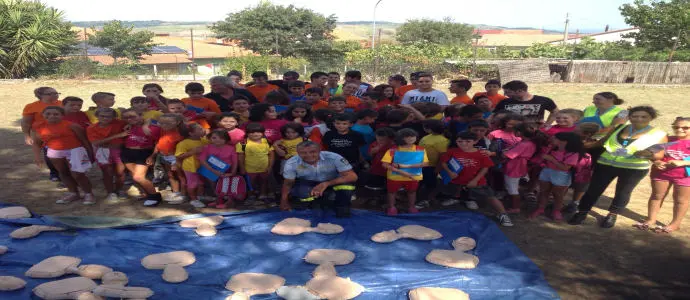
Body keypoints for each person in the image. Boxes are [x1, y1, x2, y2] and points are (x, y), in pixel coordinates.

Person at [569, 106, 668, 228]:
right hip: (606, 164)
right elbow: (602, 142)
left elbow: (659, 154)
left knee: (623, 192)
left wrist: (647, 154)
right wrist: (582, 145)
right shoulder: (619, 127)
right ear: (629, 117)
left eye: (643, 116)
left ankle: (612, 214)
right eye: (635, 116)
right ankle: (582, 212)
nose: (638, 119)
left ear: (651, 118)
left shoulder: (659, 134)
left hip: (634, 169)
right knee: (593, 189)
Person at [438, 131, 514, 226]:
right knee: (456, 190)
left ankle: (503, 215)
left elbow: (485, 168)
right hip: (456, 180)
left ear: (475, 141)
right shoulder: (452, 151)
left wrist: (475, 180)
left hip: (477, 181)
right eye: (460, 141)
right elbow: (444, 162)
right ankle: (458, 199)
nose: (463, 144)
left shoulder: (481, 154)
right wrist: (450, 172)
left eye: (468, 141)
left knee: (490, 197)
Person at [634, 117, 690, 234]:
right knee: (656, 196)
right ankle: (650, 220)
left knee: (681, 200)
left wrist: (683, 162)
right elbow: (652, 154)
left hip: (685, 176)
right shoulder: (666, 139)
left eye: (685, 127)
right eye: (676, 127)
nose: (680, 129)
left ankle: (675, 224)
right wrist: (656, 162)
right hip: (661, 173)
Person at [31, 106, 95, 204]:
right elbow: (37, 143)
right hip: (54, 151)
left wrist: (90, 154)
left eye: (56, 114)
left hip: (74, 150)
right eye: (48, 114)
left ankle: (88, 194)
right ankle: (73, 193)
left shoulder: (72, 126)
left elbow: (85, 141)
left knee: (78, 174)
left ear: (62, 115)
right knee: (63, 173)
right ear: (43, 115)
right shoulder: (39, 127)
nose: (52, 116)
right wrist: (37, 157)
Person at [280, 141, 357, 217]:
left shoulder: (334, 157)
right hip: (308, 183)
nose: (308, 155)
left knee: (346, 186)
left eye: (313, 152)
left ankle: (342, 207)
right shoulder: (291, 163)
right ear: (297, 152)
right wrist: (284, 201)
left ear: (320, 150)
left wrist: (326, 183)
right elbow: (288, 183)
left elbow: (352, 176)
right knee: (301, 192)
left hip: (332, 182)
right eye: (303, 153)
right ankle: (313, 206)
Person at [530, 132, 586, 221]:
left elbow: (565, 167)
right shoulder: (552, 148)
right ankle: (540, 208)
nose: (552, 139)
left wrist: (551, 159)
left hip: (561, 175)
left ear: (564, 141)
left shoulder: (573, 153)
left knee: (558, 195)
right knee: (544, 192)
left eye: (555, 138)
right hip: (547, 171)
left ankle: (556, 211)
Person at [119, 109, 162, 207]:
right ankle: (146, 193)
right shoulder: (127, 128)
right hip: (127, 152)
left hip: (144, 153)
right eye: (126, 117)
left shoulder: (153, 128)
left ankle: (155, 196)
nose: (129, 119)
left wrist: (152, 156)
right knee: (135, 176)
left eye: (133, 116)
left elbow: (158, 143)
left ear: (141, 115)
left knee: (138, 177)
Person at [502, 123, 548, 213]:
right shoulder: (530, 142)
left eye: (514, 131)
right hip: (520, 166)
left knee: (512, 188)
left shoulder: (524, 144)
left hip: (514, 167)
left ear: (519, 132)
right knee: (514, 186)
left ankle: (516, 207)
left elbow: (507, 156)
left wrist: (502, 152)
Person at [381, 129, 429, 215]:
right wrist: (397, 170)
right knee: (392, 192)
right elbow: (384, 164)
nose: (411, 138)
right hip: (394, 177)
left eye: (413, 136)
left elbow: (425, 163)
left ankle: (411, 207)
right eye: (407, 137)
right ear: (401, 138)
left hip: (413, 176)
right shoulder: (393, 150)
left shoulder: (420, 149)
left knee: (412, 191)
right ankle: (392, 207)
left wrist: (404, 167)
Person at [87, 108, 128, 203]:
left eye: (109, 116)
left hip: (118, 151)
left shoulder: (119, 123)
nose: (105, 118)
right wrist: (117, 136)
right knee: (107, 172)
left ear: (114, 117)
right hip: (102, 152)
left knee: (120, 172)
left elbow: (135, 121)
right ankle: (110, 192)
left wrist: (128, 125)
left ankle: (119, 190)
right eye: (102, 116)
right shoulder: (92, 128)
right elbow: (96, 143)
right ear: (97, 116)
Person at [199, 130, 239, 208]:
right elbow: (202, 160)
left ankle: (229, 201)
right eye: (214, 138)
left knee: (227, 186)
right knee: (214, 185)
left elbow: (235, 161)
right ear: (209, 138)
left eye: (221, 138)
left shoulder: (231, 148)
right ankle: (218, 199)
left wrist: (233, 172)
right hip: (211, 171)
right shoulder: (206, 148)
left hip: (227, 171)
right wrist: (213, 170)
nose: (218, 140)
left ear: (226, 139)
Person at [237, 123, 275, 203]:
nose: (255, 134)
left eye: (258, 132)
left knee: (264, 181)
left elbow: (271, 155)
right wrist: (242, 168)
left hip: (264, 168)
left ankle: (263, 194)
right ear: (247, 133)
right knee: (250, 183)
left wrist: (270, 166)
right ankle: (251, 195)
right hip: (250, 168)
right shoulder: (242, 144)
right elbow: (241, 157)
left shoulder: (267, 142)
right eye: (252, 132)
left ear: (262, 133)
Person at [155, 113, 187, 204]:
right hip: (165, 156)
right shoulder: (163, 130)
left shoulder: (180, 134)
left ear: (177, 122)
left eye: (168, 123)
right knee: (171, 175)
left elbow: (182, 149)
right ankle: (176, 192)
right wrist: (153, 155)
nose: (164, 125)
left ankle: (183, 195)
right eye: (161, 123)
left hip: (175, 157)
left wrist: (176, 161)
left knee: (181, 176)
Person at [494, 80, 558, 126]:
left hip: (534, 132)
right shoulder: (504, 102)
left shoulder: (543, 100)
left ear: (520, 91)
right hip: (510, 133)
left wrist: (547, 124)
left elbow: (555, 111)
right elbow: (493, 115)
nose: (505, 95)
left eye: (508, 92)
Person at [175, 123, 208, 208]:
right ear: (191, 133)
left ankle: (200, 196)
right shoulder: (183, 143)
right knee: (193, 183)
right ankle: (193, 199)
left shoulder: (203, 140)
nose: (203, 130)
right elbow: (178, 156)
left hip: (202, 165)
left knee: (201, 182)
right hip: (190, 166)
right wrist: (192, 152)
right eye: (200, 129)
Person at [417, 120, 449, 208]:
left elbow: (443, 156)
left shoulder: (442, 141)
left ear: (429, 129)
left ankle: (427, 199)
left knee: (430, 184)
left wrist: (438, 168)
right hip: (422, 165)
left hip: (431, 166)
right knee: (421, 182)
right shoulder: (427, 137)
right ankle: (420, 198)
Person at [365, 127, 396, 196]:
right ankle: (376, 198)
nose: (379, 141)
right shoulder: (374, 144)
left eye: (382, 140)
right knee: (377, 187)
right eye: (377, 138)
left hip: (390, 172)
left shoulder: (394, 146)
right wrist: (375, 150)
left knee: (390, 188)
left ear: (390, 139)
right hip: (376, 170)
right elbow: (370, 154)